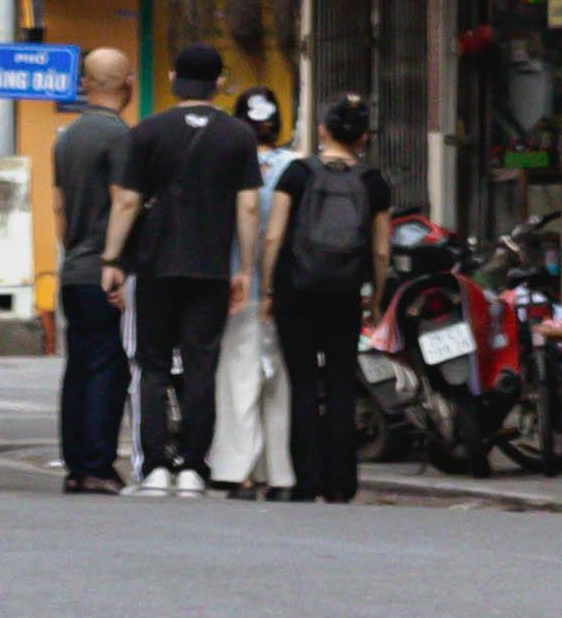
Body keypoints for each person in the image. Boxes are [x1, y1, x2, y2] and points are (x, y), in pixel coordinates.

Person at [111, 56, 265, 496]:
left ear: (173, 78)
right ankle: (195, 468)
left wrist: (112, 259)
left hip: (154, 265)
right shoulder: (238, 135)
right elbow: (249, 206)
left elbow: (126, 201)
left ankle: (155, 468)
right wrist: (245, 269)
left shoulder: (148, 131)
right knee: (202, 367)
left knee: (152, 365)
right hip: (212, 270)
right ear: (219, 83)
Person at [260, 94, 383, 501]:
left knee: (303, 384)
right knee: (342, 381)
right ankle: (341, 484)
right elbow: (382, 250)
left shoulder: (296, 173)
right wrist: (377, 296)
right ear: (363, 138)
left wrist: (268, 288)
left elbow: (275, 234)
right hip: (346, 292)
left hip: (296, 288)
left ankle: (305, 480)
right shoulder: (373, 182)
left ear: (323, 131)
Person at [46, 48, 143, 493]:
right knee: (109, 367)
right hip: (106, 269)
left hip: (73, 270)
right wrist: (113, 261)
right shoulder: (121, 138)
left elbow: (60, 206)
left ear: (85, 83)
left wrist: (75, 253)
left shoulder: (65, 137)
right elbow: (125, 199)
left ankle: (75, 463)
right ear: (127, 83)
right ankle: (97, 464)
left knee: (79, 366)